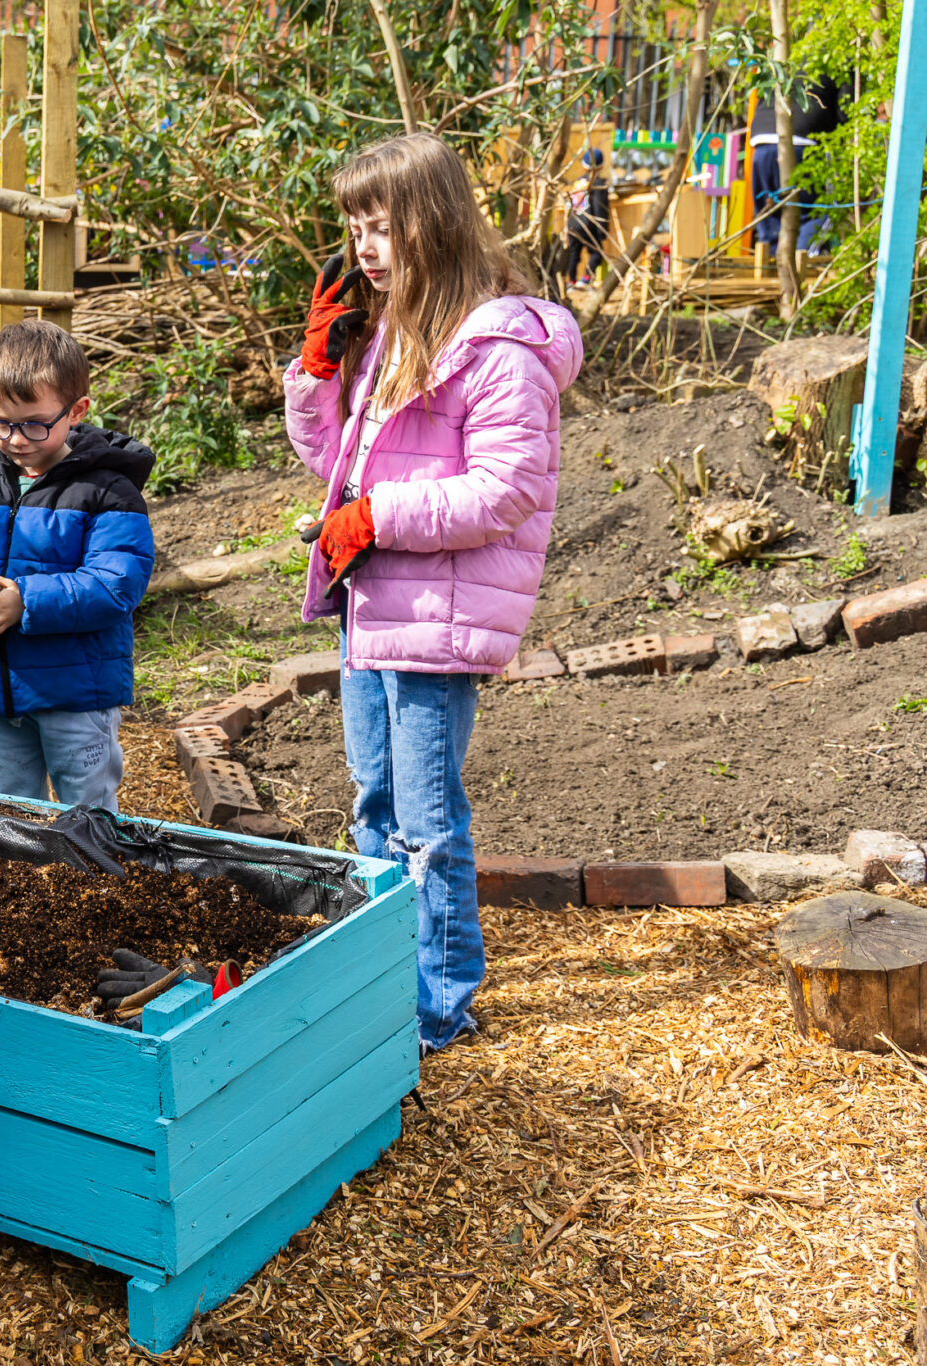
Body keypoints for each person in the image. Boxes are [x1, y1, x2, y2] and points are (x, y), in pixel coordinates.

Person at [284, 131, 582, 1054]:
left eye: (381, 227)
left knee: (426, 825)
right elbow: (334, 465)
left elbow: (509, 489)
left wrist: (375, 517)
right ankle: (384, 983)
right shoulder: (390, 338)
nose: (363, 248)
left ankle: (438, 1004)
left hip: (436, 620)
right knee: (372, 808)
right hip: (371, 611)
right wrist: (315, 377)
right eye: (353, 228)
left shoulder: (495, 349)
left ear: (433, 224)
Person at [0, 319, 156, 813]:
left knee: (86, 812)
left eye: (34, 424)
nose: (17, 439)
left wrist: (24, 601)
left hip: (76, 696)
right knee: (14, 807)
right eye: (0, 422)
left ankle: (93, 879)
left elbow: (116, 585)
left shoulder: (109, 493)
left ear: (77, 412)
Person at [751, 75, 845, 254]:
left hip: (761, 140)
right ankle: (801, 266)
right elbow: (846, 111)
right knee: (818, 212)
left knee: (771, 215)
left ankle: (770, 270)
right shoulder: (840, 60)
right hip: (805, 141)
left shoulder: (783, 55)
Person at [560, 147, 609, 288]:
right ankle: (585, 278)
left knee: (574, 254)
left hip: (573, 223)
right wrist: (602, 231)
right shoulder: (598, 185)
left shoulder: (578, 182)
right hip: (589, 224)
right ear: (601, 166)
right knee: (596, 253)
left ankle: (571, 281)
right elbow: (599, 208)